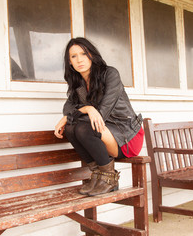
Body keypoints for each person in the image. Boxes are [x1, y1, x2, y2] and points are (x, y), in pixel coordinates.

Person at [54, 37, 144, 196]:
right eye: (73, 56)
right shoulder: (79, 84)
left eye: (83, 53)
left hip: (126, 136)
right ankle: (98, 175)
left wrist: (74, 115)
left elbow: (102, 113)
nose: (79, 59)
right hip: (105, 133)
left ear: (92, 55)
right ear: (69, 62)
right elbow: (68, 107)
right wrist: (85, 109)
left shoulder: (110, 74)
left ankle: (109, 178)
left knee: (82, 127)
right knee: (70, 128)